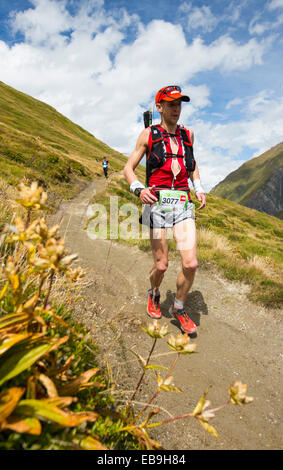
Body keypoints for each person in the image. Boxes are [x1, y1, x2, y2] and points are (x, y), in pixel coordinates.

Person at [123, 85, 206, 335]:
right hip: (155, 204)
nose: (176, 109)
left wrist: (198, 187)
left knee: (190, 263)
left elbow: (191, 165)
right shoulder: (148, 134)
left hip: (182, 203)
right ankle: (154, 292)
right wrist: (138, 189)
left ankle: (179, 309)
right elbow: (128, 168)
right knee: (161, 265)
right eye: (171, 104)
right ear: (159, 107)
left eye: (179, 105)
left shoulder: (188, 135)